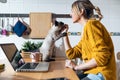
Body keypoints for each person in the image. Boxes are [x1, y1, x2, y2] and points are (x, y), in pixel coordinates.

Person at [63, 0, 116, 80]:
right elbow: (71, 54)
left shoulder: (91, 25)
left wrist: (77, 67)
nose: (70, 14)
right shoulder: (86, 30)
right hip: (92, 72)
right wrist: (64, 34)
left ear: (81, 11)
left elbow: (101, 57)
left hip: (101, 74)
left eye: (72, 11)